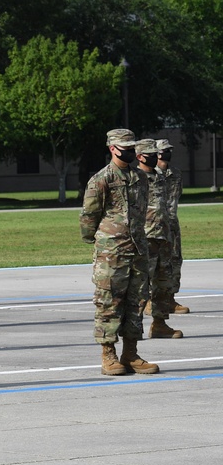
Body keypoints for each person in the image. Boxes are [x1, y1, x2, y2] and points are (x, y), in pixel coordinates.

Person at [80, 129, 158, 376]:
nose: (131, 151)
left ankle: (131, 353)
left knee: (137, 301)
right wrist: (104, 241)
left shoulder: (140, 177)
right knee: (109, 302)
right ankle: (108, 355)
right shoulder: (101, 179)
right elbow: (88, 218)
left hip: (137, 249)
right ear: (112, 148)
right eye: (125, 146)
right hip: (111, 253)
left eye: (132, 146)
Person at [135, 139, 183, 339]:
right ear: (140, 156)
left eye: (157, 153)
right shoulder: (134, 178)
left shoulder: (161, 177)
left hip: (163, 236)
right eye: (151, 154)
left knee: (163, 283)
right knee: (140, 285)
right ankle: (133, 329)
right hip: (145, 238)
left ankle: (160, 324)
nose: (156, 157)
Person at [156, 139, 189, 314]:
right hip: (153, 226)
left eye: (169, 150)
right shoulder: (147, 174)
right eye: (164, 151)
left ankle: (170, 299)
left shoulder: (176, 174)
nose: (167, 154)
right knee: (154, 264)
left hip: (172, 225)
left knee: (174, 261)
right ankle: (149, 300)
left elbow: (177, 196)